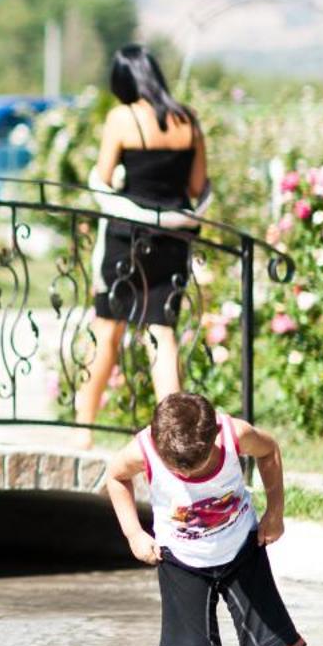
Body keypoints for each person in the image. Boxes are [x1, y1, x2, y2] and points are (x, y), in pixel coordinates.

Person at [104, 391, 305, 646]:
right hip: (181, 563)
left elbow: (269, 450)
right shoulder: (144, 449)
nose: (186, 475)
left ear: (214, 438)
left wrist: (275, 512)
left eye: (194, 468)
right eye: (176, 470)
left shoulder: (234, 435)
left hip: (242, 548)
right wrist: (134, 534)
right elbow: (115, 476)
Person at [75, 44, 210, 442]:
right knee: (162, 334)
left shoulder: (122, 117)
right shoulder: (189, 120)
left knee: (108, 330)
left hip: (127, 238)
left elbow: (102, 175)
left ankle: (82, 429)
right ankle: (176, 438)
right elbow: (197, 186)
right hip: (173, 237)